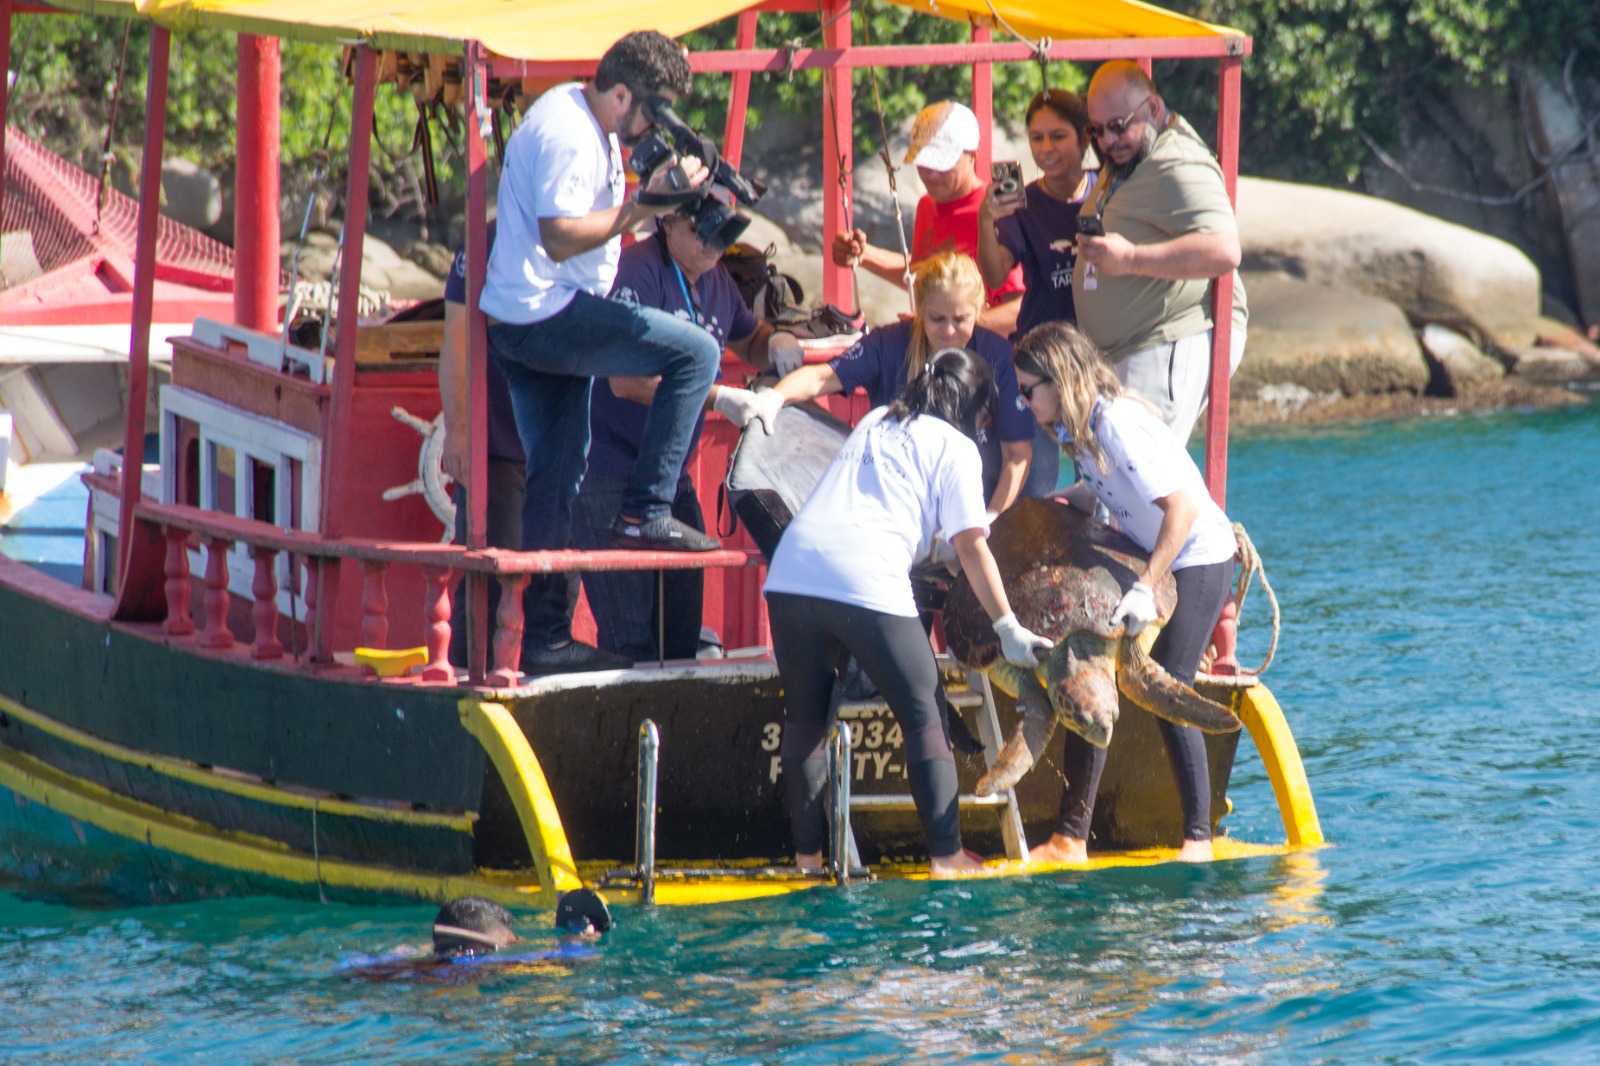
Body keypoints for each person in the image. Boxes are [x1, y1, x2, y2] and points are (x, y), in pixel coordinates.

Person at [481, 31, 725, 676]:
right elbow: (560, 237)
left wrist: (656, 193)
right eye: (655, 110)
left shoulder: (584, 117)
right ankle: (647, 511)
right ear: (621, 95)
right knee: (696, 354)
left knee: (558, 475)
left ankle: (543, 640)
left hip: (524, 320)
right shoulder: (568, 131)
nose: (655, 126)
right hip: (546, 315)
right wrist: (644, 206)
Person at [763, 348, 1053, 877]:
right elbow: (971, 546)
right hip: (866, 577)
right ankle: (947, 856)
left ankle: (807, 862)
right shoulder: (957, 446)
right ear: (974, 408)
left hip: (791, 573)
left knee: (805, 720)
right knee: (925, 716)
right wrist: (1008, 626)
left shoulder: (878, 419)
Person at [1011, 322, 1238, 864]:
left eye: (1028, 391)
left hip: (1198, 555)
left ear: (1059, 380)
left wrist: (1142, 587)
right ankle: (1070, 839)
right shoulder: (1078, 428)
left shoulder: (1116, 425)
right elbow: (1102, 490)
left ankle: (1199, 840)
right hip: (1155, 553)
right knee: (1093, 677)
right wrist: (1056, 503)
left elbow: (1182, 509)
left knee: (1168, 683)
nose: (1024, 404)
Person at [573, 211, 795, 662]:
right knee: (630, 640)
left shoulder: (716, 279)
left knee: (681, 633)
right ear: (667, 221)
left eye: (725, 230)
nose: (713, 241)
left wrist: (777, 341)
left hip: (671, 479)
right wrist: (718, 399)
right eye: (700, 228)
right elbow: (625, 380)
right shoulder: (638, 269)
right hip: (609, 472)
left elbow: (748, 337)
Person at [439, 225, 628, 673]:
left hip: (563, 443)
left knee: (560, 568)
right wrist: (459, 431)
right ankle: (470, 675)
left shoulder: (599, 238)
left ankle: (546, 657)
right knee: (491, 571)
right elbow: (456, 338)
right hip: (499, 441)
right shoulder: (485, 241)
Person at [752, 252, 1035, 517]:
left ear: (979, 310)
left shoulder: (998, 357)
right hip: (894, 502)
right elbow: (821, 377)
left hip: (971, 505)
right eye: (937, 318)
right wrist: (774, 398)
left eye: (961, 319)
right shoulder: (888, 343)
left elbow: (1017, 456)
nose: (949, 331)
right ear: (920, 309)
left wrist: (990, 519)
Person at [1072, 60, 1248, 443]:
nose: (1108, 141)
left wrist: (1130, 259)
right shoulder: (1134, 154)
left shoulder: (1177, 161)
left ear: (1153, 108)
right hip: (1128, 354)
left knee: (1145, 471)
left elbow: (1223, 249)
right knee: (1122, 474)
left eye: (1119, 126)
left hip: (1164, 342)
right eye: (1097, 130)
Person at [976, 87, 1098, 496]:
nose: (1046, 148)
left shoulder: (1107, 192)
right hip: (1038, 362)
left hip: (1093, 358)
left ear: (1085, 137)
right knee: (1037, 486)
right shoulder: (1023, 204)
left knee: (1098, 484)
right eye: (1037, 137)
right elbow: (995, 276)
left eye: (1058, 136)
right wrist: (986, 221)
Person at [832, 101, 1025, 336]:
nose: (930, 174)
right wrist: (863, 255)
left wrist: (948, 328)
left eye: (941, 163)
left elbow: (1020, 307)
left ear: (974, 154)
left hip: (988, 350)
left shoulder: (995, 211)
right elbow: (922, 275)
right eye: (924, 161)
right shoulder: (927, 205)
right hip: (941, 345)